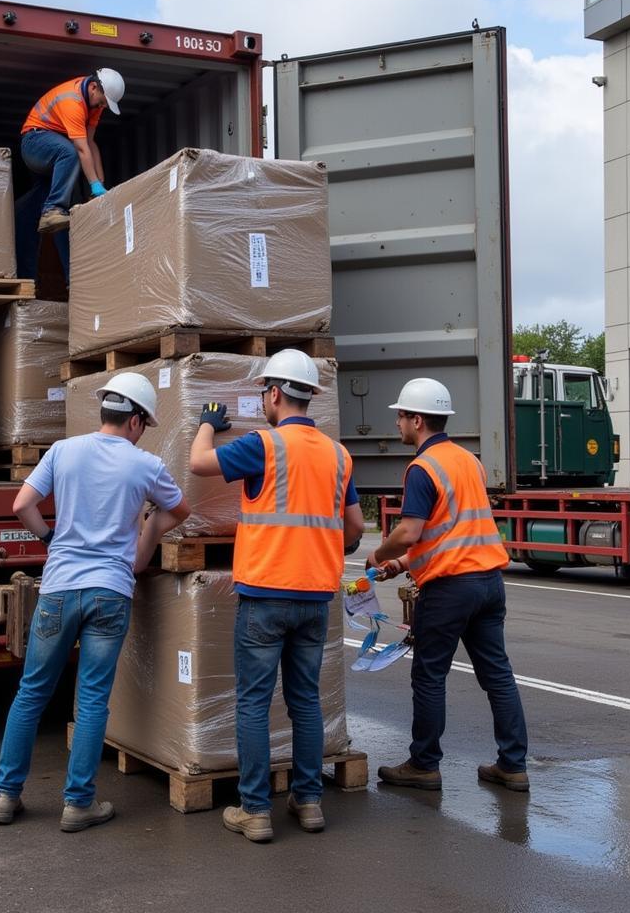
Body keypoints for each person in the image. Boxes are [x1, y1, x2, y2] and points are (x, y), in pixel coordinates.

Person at [0, 371, 190, 830]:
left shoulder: (63, 451)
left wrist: (51, 539)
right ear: (137, 421)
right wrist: (149, 534)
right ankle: (78, 804)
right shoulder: (145, 466)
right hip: (110, 592)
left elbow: (23, 505)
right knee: (93, 700)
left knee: (31, 693)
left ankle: (6, 795)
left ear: (105, 411)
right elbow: (179, 511)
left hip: (59, 589)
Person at [189, 349, 365, 843]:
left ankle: (255, 810)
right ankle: (309, 802)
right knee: (305, 702)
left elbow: (199, 463)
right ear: (308, 396)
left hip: (266, 593)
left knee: (253, 703)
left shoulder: (262, 445)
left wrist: (208, 423)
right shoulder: (338, 454)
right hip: (315, 596)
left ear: (273, 394)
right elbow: (353, 527)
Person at [371, 377, 529, 793]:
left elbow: (410, 531)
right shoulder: (468, 460)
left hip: (450, 590)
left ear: (417, 419)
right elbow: (451, 531)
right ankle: (512, 765)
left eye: (401, 416)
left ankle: (424, 765)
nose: (398, 425)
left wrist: (380, 556)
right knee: (498, 676)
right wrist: (404, 565)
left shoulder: (422, 468)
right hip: (489, 582)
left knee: (428, 676)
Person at [19, 67, 125, 237]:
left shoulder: (95, 105)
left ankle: (67, 256)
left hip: (55, 151)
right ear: (93, 88)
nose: (103, 106)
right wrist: (94, 186)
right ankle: (52, 209)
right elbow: (81, 149)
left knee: (66, 216)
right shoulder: (72, 101)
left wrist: (101, 184)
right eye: (103, 101)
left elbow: (90, 143)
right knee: (71, 153)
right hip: (34, 144)